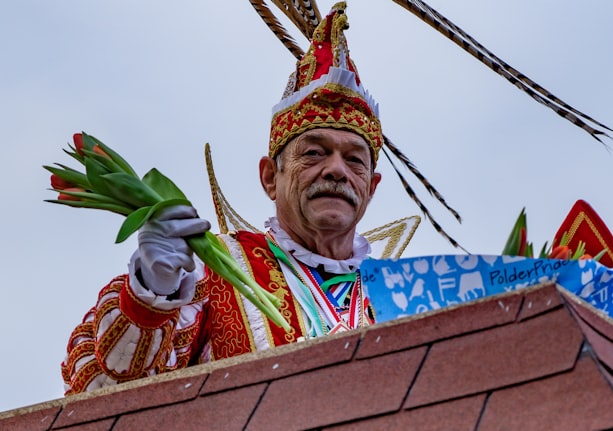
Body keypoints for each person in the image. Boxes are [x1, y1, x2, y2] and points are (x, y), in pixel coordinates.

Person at [62, 4, 388, 394]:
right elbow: (104, 389)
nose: (337, 170)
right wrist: (152, 291)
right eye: (314, 153)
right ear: (270, 177)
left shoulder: (400, 295)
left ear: (371, 187)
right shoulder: (212, 272)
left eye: (354, 159)